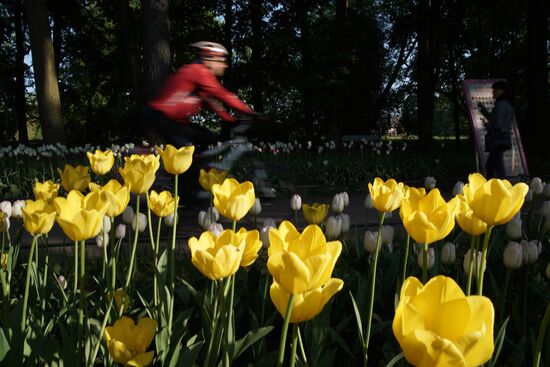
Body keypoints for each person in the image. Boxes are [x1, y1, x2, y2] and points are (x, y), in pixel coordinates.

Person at [145, 41, 261, 149]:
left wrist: (232, 121)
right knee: (189, 152)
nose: (225, 65)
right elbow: (223, 94)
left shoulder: (201, 81)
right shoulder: (198, 71)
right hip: (162, 117)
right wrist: (249, 111)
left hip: (170, 119)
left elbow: (215, 105)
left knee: (207, 137)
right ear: (211, 59)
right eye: (222, 61)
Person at [477, 80, 515, 179]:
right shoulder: (507, 104)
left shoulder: (501, 104)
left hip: (498, 139)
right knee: (492, 165)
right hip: (503, 138)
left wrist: (487, 125)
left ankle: (499, 186)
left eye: (495, 89)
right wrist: (483, 111)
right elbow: (494, 119)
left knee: (496, 166)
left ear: (502, 90)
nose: (493, 92)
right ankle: (492, 185)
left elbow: (497, 123)